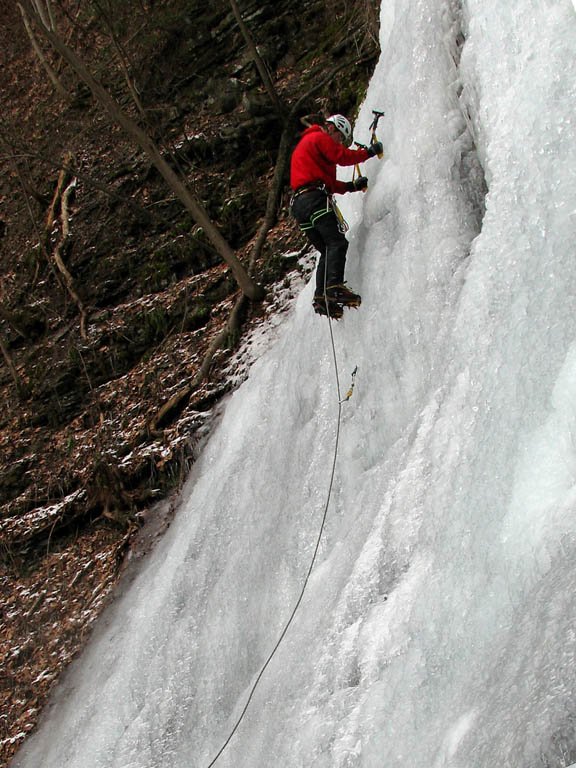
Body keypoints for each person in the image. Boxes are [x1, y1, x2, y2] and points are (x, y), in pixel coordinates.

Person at [290, 114, 383, 317]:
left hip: (300, 206)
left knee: (326, 249)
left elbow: (331, 185)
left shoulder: (311, 149)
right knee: (337, 243)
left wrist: (352, 186)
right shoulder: (319, 137)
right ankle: (334, 289)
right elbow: (342, 157)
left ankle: (321, 298)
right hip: (314, 199)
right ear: (333, 129)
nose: (340, 143)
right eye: (340, 138)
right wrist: (368, 153)